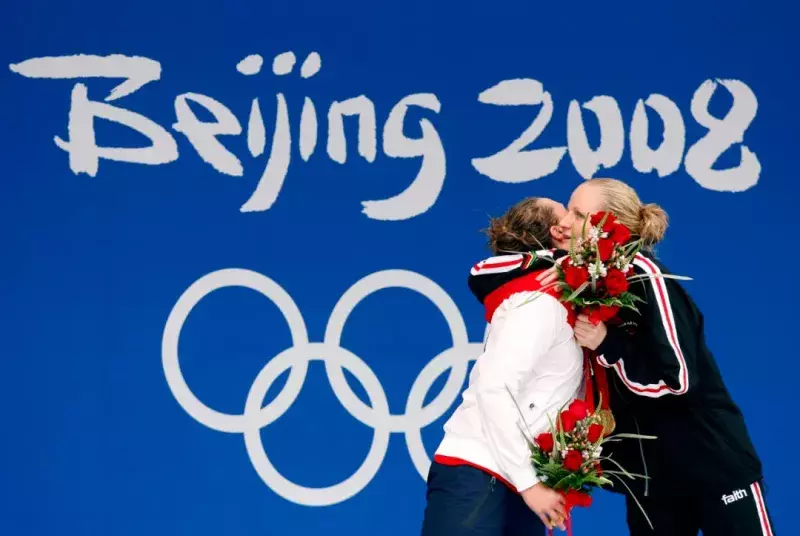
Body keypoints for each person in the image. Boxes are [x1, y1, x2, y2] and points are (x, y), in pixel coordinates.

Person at [541, 178, 775, 536]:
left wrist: (608, 344)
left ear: (609, 226)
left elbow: (678, 378)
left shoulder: (646, 276)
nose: (565, 222)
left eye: (578, 214)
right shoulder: (582, 281)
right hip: (652, 483)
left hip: (712, 464)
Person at [420, 197, 583, 536]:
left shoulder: (557, 301)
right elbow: (494, 387)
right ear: (558, 233)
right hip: (483, 476)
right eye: (572, 215)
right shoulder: (539, 304)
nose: (578, 221)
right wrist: (530, 484)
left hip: (511, 478)